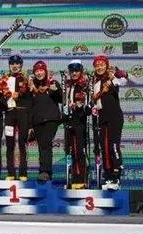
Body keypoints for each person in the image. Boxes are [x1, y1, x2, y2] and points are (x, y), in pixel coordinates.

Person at [90, 55, 128, 190]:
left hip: (114, 117)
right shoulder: (94, 82)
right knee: (104, 148)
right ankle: (108, 177)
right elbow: (94, 100)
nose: (99, 67)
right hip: (102, 118)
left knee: (113, 146)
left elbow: (125, 82)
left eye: (102, 65)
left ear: (106, 66)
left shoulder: (112, 77)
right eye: (96, 65)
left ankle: (116, 176)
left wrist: (121, 75)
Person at [28, 61, 63, 182]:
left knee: (45, 143)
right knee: (41, 145)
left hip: (51, 119)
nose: (39, 73)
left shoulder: (52, 83)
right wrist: (30, 125)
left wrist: (56, 90)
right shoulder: (31, 86)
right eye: (36, 71)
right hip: (37, 120)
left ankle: (45, 171)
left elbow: (61, 99)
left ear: (45, 71)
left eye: (41, 70)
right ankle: (45, 172)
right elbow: (30, 106)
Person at [0, 54, 32, 181]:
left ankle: (23, 173)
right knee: (9, 144)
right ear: (9, 65)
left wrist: (30, 123)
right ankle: (11, 173)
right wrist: (4, 103)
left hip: (22, 113)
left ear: (21, 65)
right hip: (9, 114)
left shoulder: (26, 80)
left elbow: (30, 101)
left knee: (22, 143)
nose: (15, 66)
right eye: (12, 64)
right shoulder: (4, 80)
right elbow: (1, 99)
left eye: (17, 63)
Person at [63, 60, 89, 189]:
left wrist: (80, 105)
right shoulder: (68, 85)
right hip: (69, 121)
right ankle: (72, 180)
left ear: (81, 71)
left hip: (80, 122)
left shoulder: (85, 85)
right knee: (70, 151)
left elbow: (88, 105)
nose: (74, 73)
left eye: (76, 71)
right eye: (72, 71)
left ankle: (81, 179)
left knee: (79, 151)